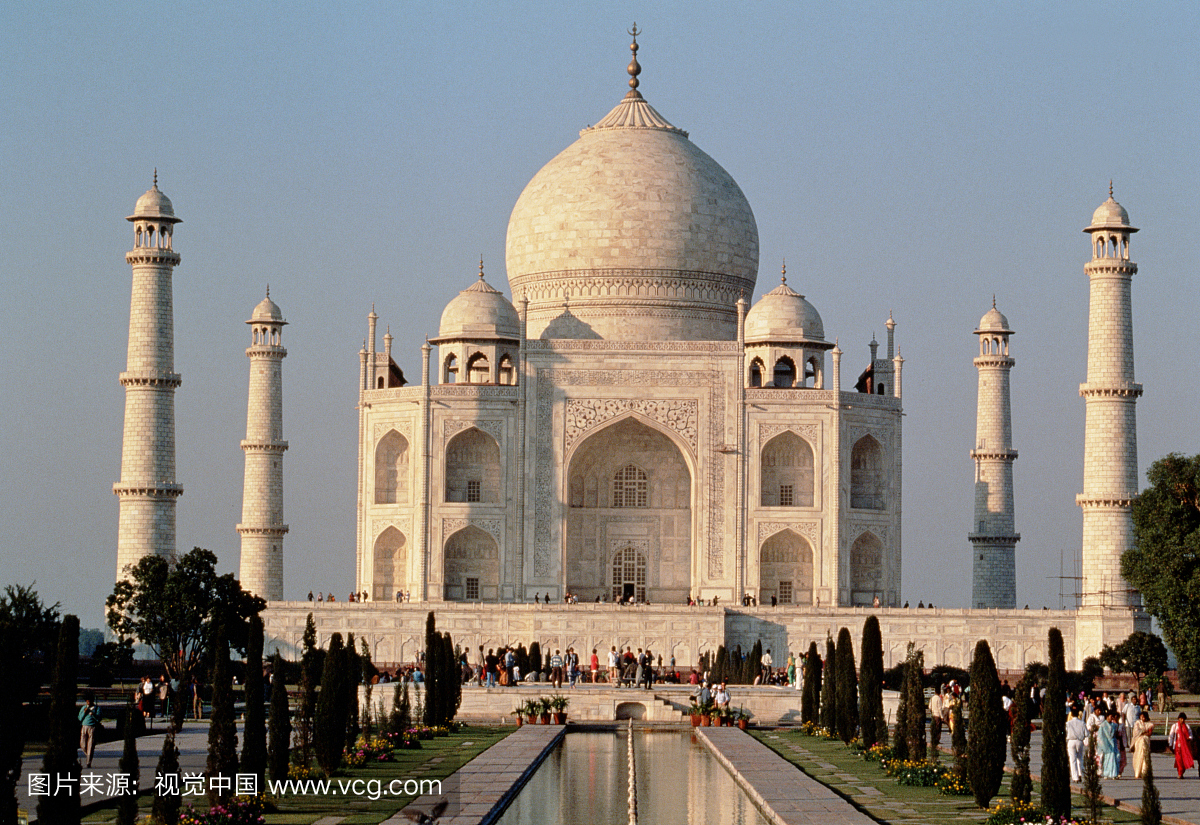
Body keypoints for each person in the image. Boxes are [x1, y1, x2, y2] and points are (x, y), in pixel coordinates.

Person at [1168, 712, 1195, 779]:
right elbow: (1171, 735)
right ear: (1179, 719)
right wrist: (1170, 744)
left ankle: (1181, 772)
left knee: (1184, 760)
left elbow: (1191, 735)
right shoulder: (1175, 726)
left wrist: (1189, 738)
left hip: (1185, 746)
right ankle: (1179, 773)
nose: (1182, 720)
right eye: (1181, 719)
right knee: (1179, 760)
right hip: (1177, 746)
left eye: (1183, 719)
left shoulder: (1187, 727)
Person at [78, 695, 101, 768]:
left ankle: (88, 762)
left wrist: (93, 714)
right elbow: (79, 718)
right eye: (87, 701)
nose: (88, 702)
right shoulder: (83, 708)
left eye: (89, 701)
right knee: (83, 745)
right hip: (84, 726)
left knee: (90, 745)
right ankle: (88, 754)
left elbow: (99, 719)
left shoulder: (97, 708)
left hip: (92, 727)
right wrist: (84, 712)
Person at [1066, 706, 1088, 783]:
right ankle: (1081, 773)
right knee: (1080, 758)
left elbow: (1065, 732)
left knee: (1072, 760)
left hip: (1071, 741)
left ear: (1071, 714)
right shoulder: (1082, 723)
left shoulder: (1068, 723)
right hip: (1079, 741)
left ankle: (1075, 777)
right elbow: (1086, 733)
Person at [1130, 710, 1153, 779]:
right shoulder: (1137, 723)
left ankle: (1144, 773)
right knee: (1138, 757)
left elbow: (1149, 733)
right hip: (1138, 742)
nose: (1142, 718)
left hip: (1145, 742)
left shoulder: (1150, 724)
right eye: (1141, 716)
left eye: (1144, 717)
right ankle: (1137, 773)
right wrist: (1144, 731)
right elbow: (1136, 732)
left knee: (1145, 757)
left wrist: (1143, 733)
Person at [929, 686, 944, 750]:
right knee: (938, 728)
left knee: (934, 727)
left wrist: (932, 711)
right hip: (938, 715)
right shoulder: (938, 698)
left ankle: (933, 738)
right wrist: (942, 716)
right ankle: (937, 739)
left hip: (933, 714)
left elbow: (929, 706)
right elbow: (940, 708)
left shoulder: (932, 698)